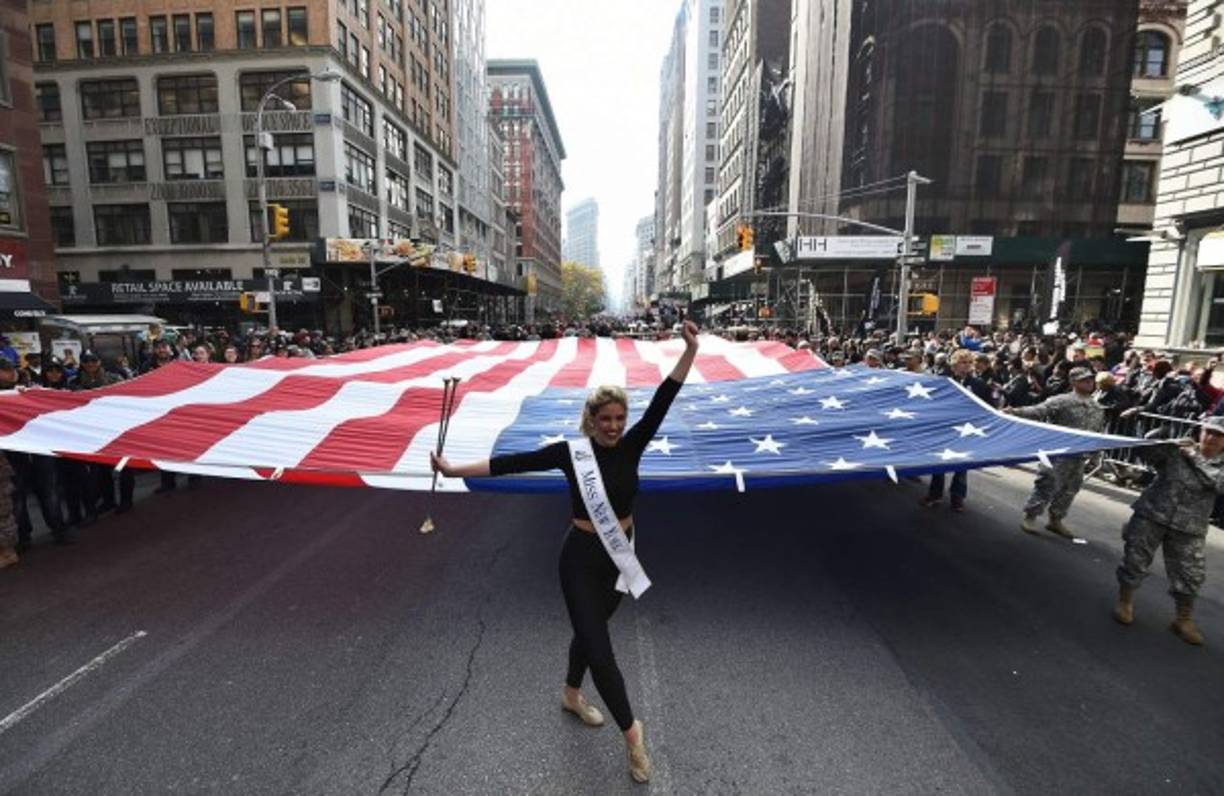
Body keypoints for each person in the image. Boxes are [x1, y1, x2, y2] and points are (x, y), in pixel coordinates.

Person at [430, 320, 701, 784]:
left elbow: (665, 396)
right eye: (605, 419)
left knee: (589, 634)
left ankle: (571, 694)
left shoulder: (633, 445)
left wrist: (690, 350)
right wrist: (454, 471)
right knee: (600, 647)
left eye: (619, 418)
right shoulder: (569, 453)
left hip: (618, 557)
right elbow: (511, 463)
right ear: (591, 420)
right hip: (578, 558)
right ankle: (633, 735)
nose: (613, 426)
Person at [1113, 416, 1224, 646]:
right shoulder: (1177, 449)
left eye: (1219, 435)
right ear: (1200, 431)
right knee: (1134, 560)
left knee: (1191, 575)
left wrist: (1194, 457)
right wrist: (1160, 437)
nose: (1212, 437)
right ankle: (1125, 601)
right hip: (1152, 513)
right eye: (1209, 431)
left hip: (1189, 527)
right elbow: (1144, 451)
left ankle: (1183, 620)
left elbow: (1219, 484)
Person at [1007, 367, 1105, 538]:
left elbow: (1097, 432)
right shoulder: (1062, 401)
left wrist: (1096, 455)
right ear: (1073, 382)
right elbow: (1038, 411)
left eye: (1091, 379)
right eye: (1084, 380)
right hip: (1057, 453)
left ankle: (1056, 519)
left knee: (1069, 490)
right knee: (1046, 484)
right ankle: (1031, 515)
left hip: (1079, 456)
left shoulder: (1096, 407)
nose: (1089, 382)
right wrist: (1015, 411)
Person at [922, 349, 994, 511]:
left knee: (962, 464)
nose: (966, 366)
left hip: (967, 429)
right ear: (954, 364)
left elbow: (988, 407)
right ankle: (935, 494)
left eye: (969, 363)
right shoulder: (943, 382)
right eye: (963, 362)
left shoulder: (979, 384)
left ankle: (957, 497)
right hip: (945, 428)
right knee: (940, 462)